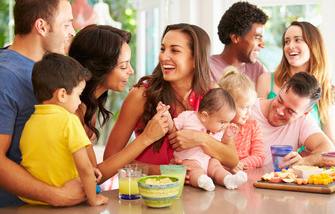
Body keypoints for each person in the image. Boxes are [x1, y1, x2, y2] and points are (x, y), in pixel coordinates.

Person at [104, 23, 239, 175]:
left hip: (201, 194)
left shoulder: (212, 94)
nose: (163, 56)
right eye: (163, 49)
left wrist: (200, 138)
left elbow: (232, 159)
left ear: (195, 59)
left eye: (174, 50)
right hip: (151, 194)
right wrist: (162, 171)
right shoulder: (140, 96)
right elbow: (110, 158)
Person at [0, 0, 86, 207]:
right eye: (67, 23)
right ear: (42, 26)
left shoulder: (48, 71)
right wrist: (57, 196)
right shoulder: (5, 76)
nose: (72, 32)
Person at [68, 24, 170, 183]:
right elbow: (94, 177)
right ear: (99, 68)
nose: (131, 71)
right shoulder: (73, 110)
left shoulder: (89, 106)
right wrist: (146, 138)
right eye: (123, 66)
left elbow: (93, 170)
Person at [19, 53, 108, 206]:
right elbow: (84, 167)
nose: (80, 102)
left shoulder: (30, 123)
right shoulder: (69, 120)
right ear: (62, 94)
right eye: (79, 95)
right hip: (67, 201)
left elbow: (50, 160)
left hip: (33, 202)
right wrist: (94, 199)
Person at [256, 21, 335, 150]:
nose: (290, 46)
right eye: (287, 41)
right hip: (267, 160)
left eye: (297, 40)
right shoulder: (266, 80)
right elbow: (254, 128)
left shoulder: (324, 89)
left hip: (304, 166)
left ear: (313, 46)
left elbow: (330, 140)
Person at [157, 88, 247, 191]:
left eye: (227, 122)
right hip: (190, 159)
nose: (225, 126)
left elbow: (225, 145)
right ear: (205, 116)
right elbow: (173, 130)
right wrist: (167, 116)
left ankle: (228, 179)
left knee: (217, 168)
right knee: (193, 170)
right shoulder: (187, 117)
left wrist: (228, 135)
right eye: (222, 122)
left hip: (210, 160)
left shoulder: (219, 129)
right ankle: (201, 181)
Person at [251, 72, 335, 168]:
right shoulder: (248, 109)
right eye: (280, 100)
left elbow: (328, 150)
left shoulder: (303, 121)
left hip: (276, 182)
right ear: (282, 87)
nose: (280, 111)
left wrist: (305, 161)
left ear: (305, 113)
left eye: (290, 111)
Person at [218, 66, 265, 171]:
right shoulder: (216, 128)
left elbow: (259, 156)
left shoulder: (253, 126)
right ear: (226, 104)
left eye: (251, 107)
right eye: (244, 107)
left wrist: (238, 164)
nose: (249, 113)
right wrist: (229, 166)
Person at [210, 1, 269, 84]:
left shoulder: (258, 69)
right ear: (235, 38)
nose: (262, 45)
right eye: (257, 38)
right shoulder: (208, 68)